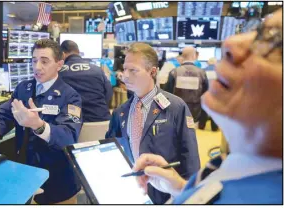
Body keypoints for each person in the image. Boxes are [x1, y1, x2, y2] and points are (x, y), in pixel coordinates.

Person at [133, 9, 283, 204]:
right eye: (259, 30)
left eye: (274, 39)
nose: (230, 43)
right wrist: (181, 188)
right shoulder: (233, 167)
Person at [0, 39, 83, 204]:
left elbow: (68, 137)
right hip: (25, 175)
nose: (37, 67)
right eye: (34, 60)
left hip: (57, 181)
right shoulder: (24, 88)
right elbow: (4, 116)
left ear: (59, 64)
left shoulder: (70, 96)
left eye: (44, 61)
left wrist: (39, 125)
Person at [105, 43, 200, 204]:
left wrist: (188, 196)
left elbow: (190, 157)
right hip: (131, 193)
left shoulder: (175, 107)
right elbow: (111, 151)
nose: (125, 76)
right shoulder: (120, 112)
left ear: (153, 71)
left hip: (165, 194)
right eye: (125, 69)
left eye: (133, 70)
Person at [60, 40, 113, 122]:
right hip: (101, 123)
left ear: (62, 54)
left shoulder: (59, 72)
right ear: (79, 52)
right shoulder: (97, 69)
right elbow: (108, 92)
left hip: (73, 125)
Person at [165, 46, 209, 123]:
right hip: (195, 112)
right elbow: (205, 93)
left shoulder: (174, 72)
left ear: (183, 56)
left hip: (177, 110)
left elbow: (167, 93)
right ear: (194, 56)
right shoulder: (202, 73)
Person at [198, 57, 218, 131]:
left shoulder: (203, 71)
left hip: (204, 93)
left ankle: (201, 126)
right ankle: (214, 127)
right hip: (216, 94)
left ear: (208, 63)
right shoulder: (218, 71)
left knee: (203, 110)